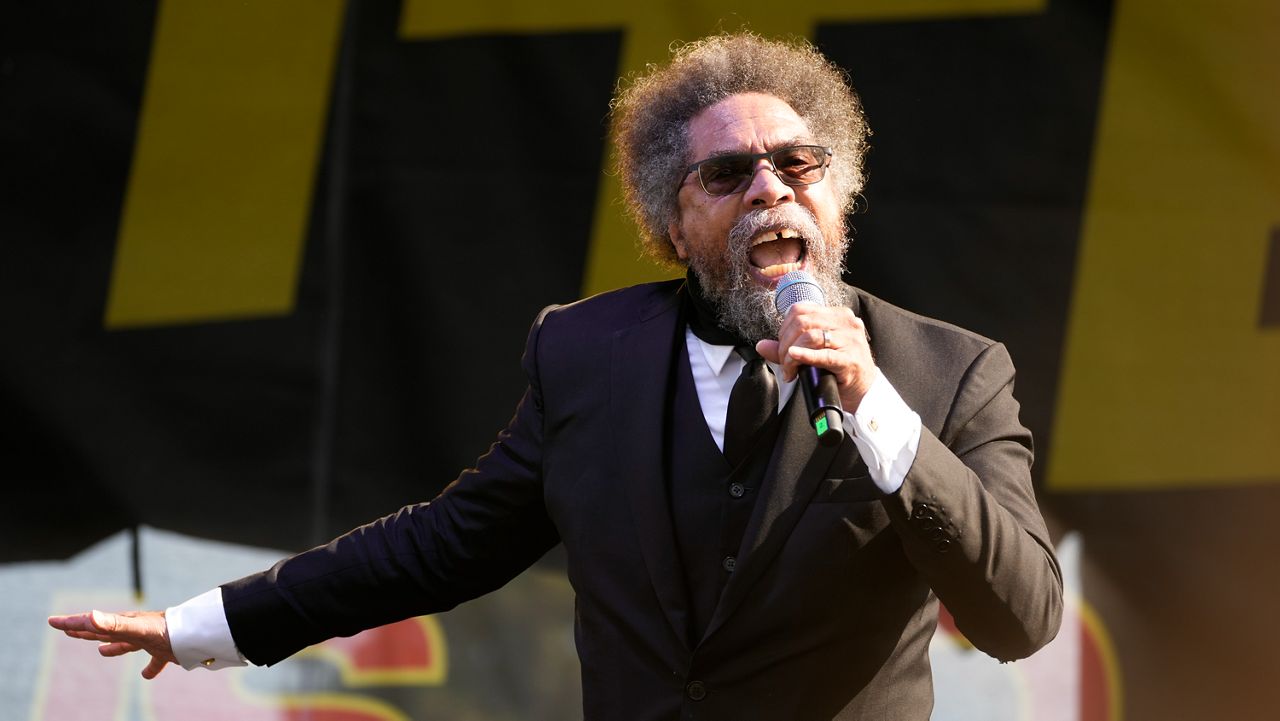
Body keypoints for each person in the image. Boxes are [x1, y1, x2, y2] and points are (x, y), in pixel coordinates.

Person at [50, 33, 1062, 720]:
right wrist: (198, 628)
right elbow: (441, 546)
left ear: (835, 199)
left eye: (796, 166)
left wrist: (873, 411)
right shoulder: (587, 354)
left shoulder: (949, 372)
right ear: (672, 223)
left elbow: (1020, 616)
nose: (767, 188)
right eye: (727, 174)